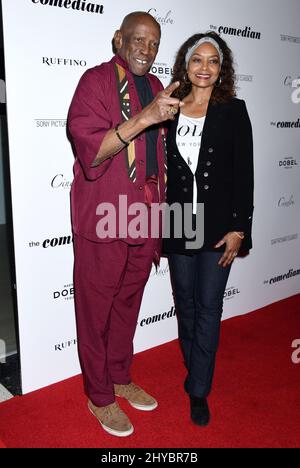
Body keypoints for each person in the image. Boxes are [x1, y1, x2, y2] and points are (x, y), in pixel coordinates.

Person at [68, 11, 182, 437]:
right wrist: (147, 117)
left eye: (153, 43)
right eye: (137, 39)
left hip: (145, 213)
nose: (145, 49)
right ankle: (100, 397)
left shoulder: (154, 86)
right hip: (104, 213)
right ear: (118, 39)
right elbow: (92, 151)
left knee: (128, 302)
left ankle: (119, 375)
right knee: (95, 308)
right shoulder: (94, 82)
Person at [163, 31, 254, 426]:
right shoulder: (168, 109)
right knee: (185, 304)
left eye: (212, 61)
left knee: (209, 307)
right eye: (196, 60)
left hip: (218, 226)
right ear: (186, 65)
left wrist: (240, 228)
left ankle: (199, 388)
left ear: (222, 68)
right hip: (179, 220)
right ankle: (194, 362)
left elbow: (243, 173)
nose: (204, 67)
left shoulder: (234, 110)